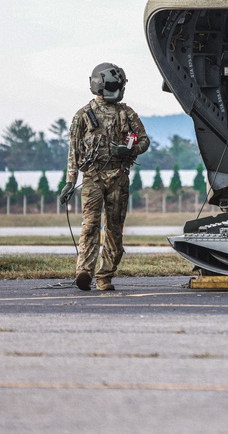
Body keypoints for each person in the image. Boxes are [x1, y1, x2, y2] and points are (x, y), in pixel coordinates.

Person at [60, 63, 149, 291]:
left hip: (118, 177)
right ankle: (84, 272)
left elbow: (144, 141)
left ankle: (105, 276)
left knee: (114, 229)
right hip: (92, 177)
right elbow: (74, 150)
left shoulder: (126, 113)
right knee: (90, 225)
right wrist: (70, 181)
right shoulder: (82, 116)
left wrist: (129, 150)